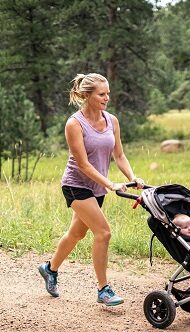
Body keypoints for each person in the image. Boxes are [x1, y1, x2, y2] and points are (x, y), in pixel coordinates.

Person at [38, 73, 144, 306]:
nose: (107, 98)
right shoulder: (74, 124)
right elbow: (84, 164)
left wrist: (132, 177)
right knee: (103, 232)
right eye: (101, 94)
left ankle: (49, 269)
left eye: (108, 93)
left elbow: (119, 155)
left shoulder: (111, 120)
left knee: (77, 233)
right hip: (76, 185)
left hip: (96, 187)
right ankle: (103, 289)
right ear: (87, 95)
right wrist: (110, 183)